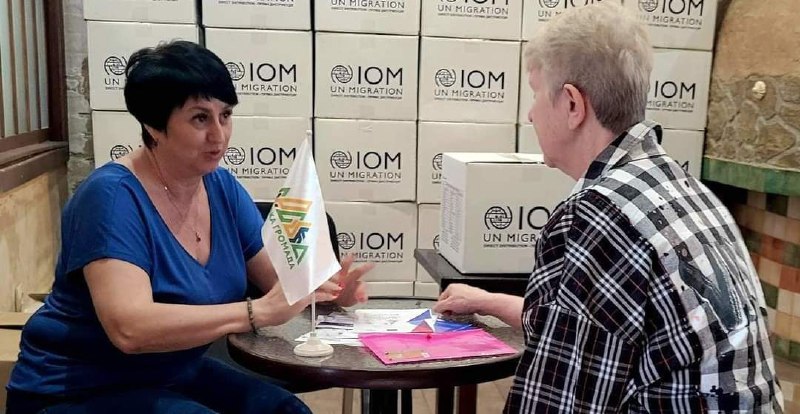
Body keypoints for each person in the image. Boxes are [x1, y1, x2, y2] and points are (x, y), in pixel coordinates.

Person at [434, 3, 783, 413]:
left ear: (572, 105)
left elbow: (560, 399)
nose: (530, 113)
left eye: (535, 93)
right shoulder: (681, 188)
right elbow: (591, 328)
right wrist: (488, 301)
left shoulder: (600, 217)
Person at [6, 40, 373, 414]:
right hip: (79, 388)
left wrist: (328, 295)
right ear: (154, 125)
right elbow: (130, 329)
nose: (219, 135)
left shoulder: (222, 187)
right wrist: (257, 312)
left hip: (171, 372)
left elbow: (280, 285)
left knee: (286, 411)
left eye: (225, 115)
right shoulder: (111, 197)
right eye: (200, 118)